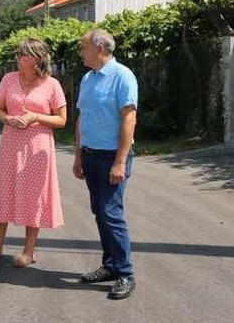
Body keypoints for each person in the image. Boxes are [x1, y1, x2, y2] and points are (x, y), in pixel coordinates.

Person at [0, 38, 67, 267]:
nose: (18, 57)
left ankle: (28, 251)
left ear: (37, 58)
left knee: (33, 197)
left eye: (24, 54)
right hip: (11, 145)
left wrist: (36, 117)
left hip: (38, 147)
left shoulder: (52, 85)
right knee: (4, 193)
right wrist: (8, 118)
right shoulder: (8, 80)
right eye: (18, 54)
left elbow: (62, 120)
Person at [73, 28, 139, 300]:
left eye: (84, 47)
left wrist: (119, 162)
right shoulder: (88, 78)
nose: (81, 52)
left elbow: (129, 119)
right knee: (99, 212)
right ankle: (110, 266)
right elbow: (81, 118)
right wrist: (78, 155)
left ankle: (125, 273)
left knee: (110, 213)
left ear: (99, 49)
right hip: (89, 155)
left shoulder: (122, 76)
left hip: (112, 157)